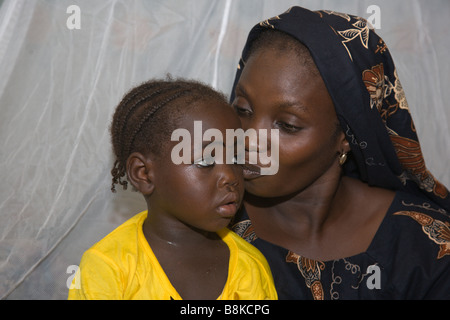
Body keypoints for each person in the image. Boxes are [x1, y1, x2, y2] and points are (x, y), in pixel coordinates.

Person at [229, 6, 450, 299]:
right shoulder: (206, 223)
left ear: (346, 137)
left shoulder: (424, 248)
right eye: (242, 110)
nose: (249, 139)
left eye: (288, 125)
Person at [68, 78, 277, 300]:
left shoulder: (251, 269)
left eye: (235, 157)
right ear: (144, 173)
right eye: (206, 160)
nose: (230, 177)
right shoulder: (108, 268)